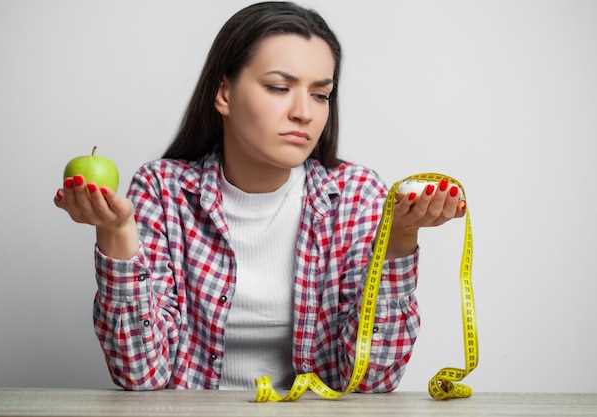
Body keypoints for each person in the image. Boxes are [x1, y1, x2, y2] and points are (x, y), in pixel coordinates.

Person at [53, 1, 466, 392]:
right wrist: (117, 234)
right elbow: (140, 375)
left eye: (320, 94)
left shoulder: (358, 196)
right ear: (224, 94)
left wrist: (399, 241)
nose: (304, 112)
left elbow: (370, 381)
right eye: (278, 87)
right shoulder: (163, 191)